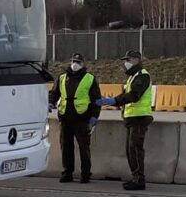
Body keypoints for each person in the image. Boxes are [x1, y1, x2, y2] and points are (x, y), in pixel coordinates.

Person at [95, 50, 152, 191]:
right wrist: (113, 101)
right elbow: (126, 95)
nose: (125, 63)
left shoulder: (142, 76)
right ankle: (135, 178)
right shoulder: (133, 77)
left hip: (139, 118)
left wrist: (114, 100)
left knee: (135, 150)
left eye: (128, 60)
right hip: (132, 119)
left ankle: (139, 180)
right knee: (130, 150)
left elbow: (133, 96)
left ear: (136, 60)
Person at [49, 53, 101, 183]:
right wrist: (50, 102)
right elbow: (54, 93)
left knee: (84, 148)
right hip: (65, 119)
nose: (75, 64)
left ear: (83, 64)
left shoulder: (90, 79)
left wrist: (94, 116)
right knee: (66, 148)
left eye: (78, 62)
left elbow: (96, 100)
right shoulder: (62, 78)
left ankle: (85, 174)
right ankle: (67, 173)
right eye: (73, 61)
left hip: (82, 119)